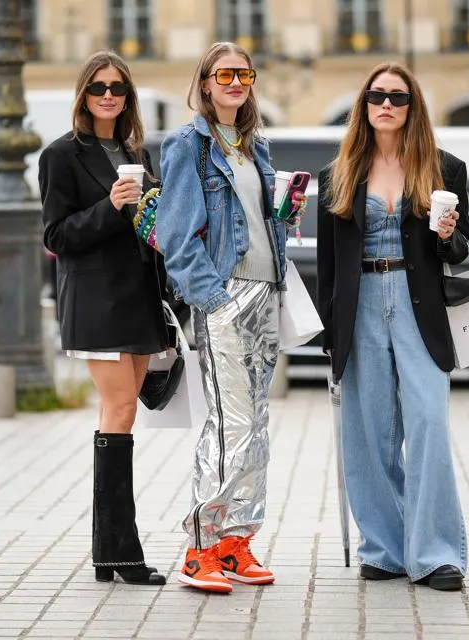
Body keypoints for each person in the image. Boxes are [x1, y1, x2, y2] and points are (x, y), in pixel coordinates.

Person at [316, 62, 469, 591]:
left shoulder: (445, 169)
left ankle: (436, 553)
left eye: (398, 97)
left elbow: (459, 252)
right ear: (364, 104)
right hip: (359, 303)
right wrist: (330, 332)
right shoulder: (337, 175)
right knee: (369, 431)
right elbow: (329, 263)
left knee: (428, 421)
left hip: (417, 300)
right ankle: (383, 547)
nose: (387, 104)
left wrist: (449, 234)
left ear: (413, 106)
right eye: (377, 95)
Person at [156, 42, 292, 594]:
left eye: (244, 74)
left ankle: (236, 541)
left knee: (256, 423)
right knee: (230, 422)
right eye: (224, 74)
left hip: (266, 291)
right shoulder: (187, 145)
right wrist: (211, 299)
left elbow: (256, 223)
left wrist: (283, 216)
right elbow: (175, 234)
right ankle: (200, 547)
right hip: (224, 293)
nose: (236, 82)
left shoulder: (256, 146)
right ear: (206, 83)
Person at [39, 50, 168, 586]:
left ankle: (108, 553)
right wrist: (111, 206)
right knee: (118, 409)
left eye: (117, 87)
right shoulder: (61, 155)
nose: (108, 95)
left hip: (139, 296)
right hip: (95, 301)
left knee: (123, 414)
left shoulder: (135, 149)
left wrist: (156, 211)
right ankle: (120, 552)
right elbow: (56, 236)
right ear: (83, 95)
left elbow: (149, 227)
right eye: (98, 87)